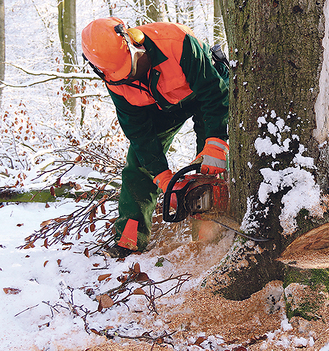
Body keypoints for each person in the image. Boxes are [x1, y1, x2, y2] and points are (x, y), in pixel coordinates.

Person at [81, 17, 230, 258]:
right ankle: (130, 236)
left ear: (134, 41)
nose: (130, 76)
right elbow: (139, 133)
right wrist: (164, 179)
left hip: (206, 94)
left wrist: (215, 141)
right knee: (138, 165)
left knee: (212, 163)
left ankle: (211, 233)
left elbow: (214, 92)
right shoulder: (114, 79)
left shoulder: (176, 41)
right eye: (123, 76)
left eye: (131, 67)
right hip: (159, 105)